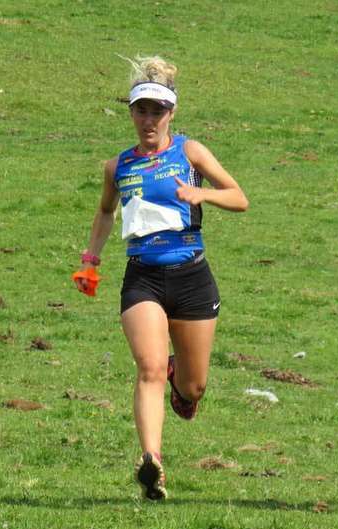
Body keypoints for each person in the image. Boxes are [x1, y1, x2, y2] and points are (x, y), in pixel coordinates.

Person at [75, 55, 248, 501]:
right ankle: (152, 461)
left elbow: (239, 197)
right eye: (141, 110)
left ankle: (181, 382)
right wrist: (91, 260)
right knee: (148, 367)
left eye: (158, 111)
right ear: (130, 113)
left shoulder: (189, 151)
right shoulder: (118, 167)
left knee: (193, 386)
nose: (149, 119)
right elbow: (104, 212)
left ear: (172, 113)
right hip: (142, 279)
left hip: (191, 276)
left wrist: (201, 192)